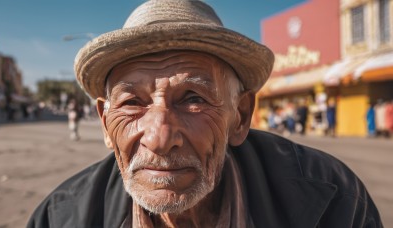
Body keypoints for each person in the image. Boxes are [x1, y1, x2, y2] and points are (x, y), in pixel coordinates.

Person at [27, 1, 382, 227]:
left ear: (240, 116)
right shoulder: (59, 218)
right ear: (105, 122)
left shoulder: (333, 198)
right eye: (132, 103)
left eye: (193, 98)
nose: (159, 138)